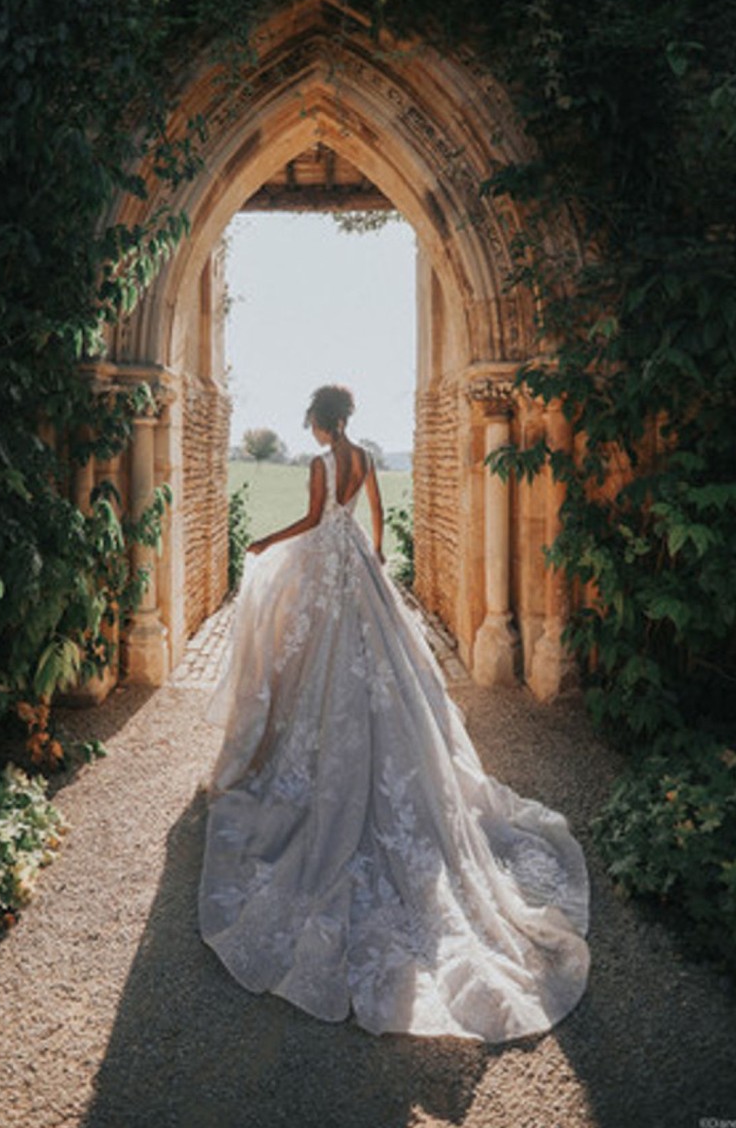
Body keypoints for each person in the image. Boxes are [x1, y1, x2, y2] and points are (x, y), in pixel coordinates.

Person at [199, 384, 590, 1042]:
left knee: (315, 662)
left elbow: (311, 521)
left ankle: (313, 752)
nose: (318, 433)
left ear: (321, 423)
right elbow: (370, 517)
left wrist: (266, 541)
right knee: (377, 665)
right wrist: (375, 553)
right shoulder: (367, 459)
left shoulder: (323, 464)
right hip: (358, 563)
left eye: (314, 424)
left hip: (328, 559)